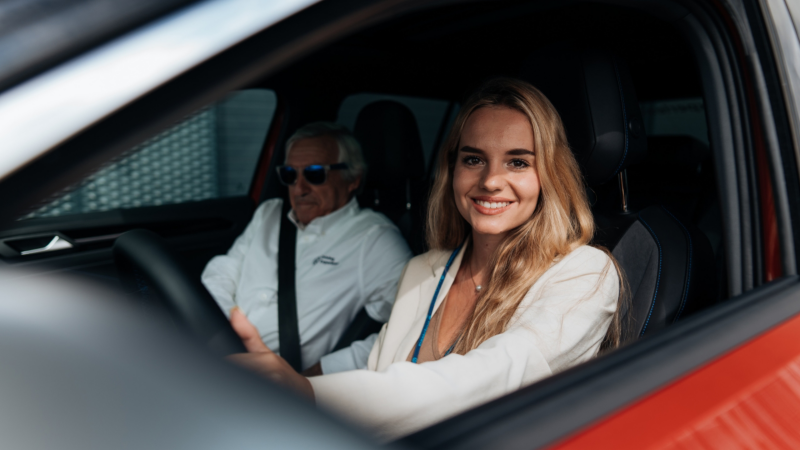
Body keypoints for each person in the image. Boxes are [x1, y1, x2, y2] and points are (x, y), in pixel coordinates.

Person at [227, 78, 625, 440]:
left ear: (548, 175)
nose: (489, 180)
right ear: (452, 169)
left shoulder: (584, 273)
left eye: (518, 162)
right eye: (473, 159)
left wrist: (309, 391)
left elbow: (501, 374)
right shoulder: (424, 270)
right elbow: (380, 373)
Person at [202, 122, 412, 373]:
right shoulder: (270, 214)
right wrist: (227, 331)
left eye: (314, 174)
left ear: (353, 179)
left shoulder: (375, 240)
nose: (299, 188)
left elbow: (412, 327)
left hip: (276, 387)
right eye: (290, 174)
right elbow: (222, 272)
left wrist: (320, 374)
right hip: (218, 354)